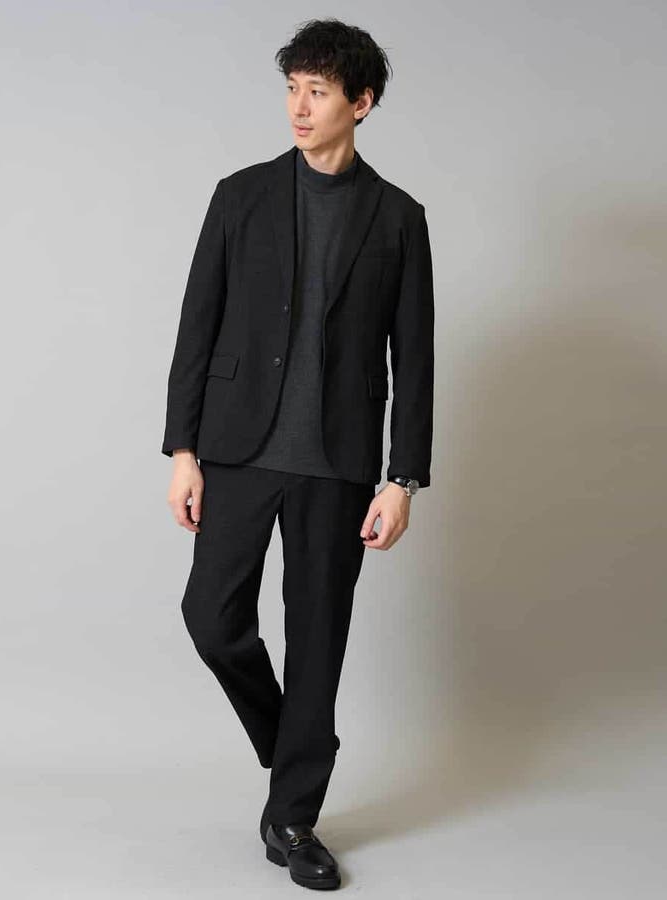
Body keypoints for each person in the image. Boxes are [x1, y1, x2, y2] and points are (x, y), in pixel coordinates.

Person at [161, 18, 434, 891]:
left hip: (338, 462)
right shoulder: (239, 196)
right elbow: (197, 327)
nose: (299, 106)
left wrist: (402, 478)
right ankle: (296, 745)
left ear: (363, 102)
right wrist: (183, 450)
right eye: (292, 88)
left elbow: (415, 358)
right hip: (239, 450)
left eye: (318, 91)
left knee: (319, 642)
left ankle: (293, 817)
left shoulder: (399, 218)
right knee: (213, 619)